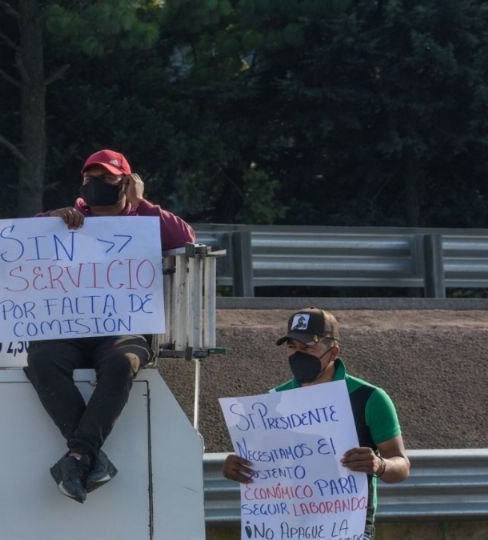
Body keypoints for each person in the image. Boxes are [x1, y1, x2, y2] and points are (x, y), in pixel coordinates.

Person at [25, 148, 196, 503]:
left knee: (123, 362)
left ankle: (78, 456)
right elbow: (25, 241)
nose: (96, 183)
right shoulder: (67, 218)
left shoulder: (145, 219)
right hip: (67, 329)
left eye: (106, 177)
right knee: (42, 359)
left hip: (123, 328)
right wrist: (50, 222)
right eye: (90, 177)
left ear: (127, 182)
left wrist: (143, 203)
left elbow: (185, 240)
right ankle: (86, 455)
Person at [222, 307, 410, 538]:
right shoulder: (272, 401)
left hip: (348, 526)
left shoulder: (369, 397)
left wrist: (380, 465)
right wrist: (236, 467)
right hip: (287, 527)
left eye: (308, 347)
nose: (298, 354)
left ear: (333, 352)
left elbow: (401, 465)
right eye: (292, 346)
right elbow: (263, 464)